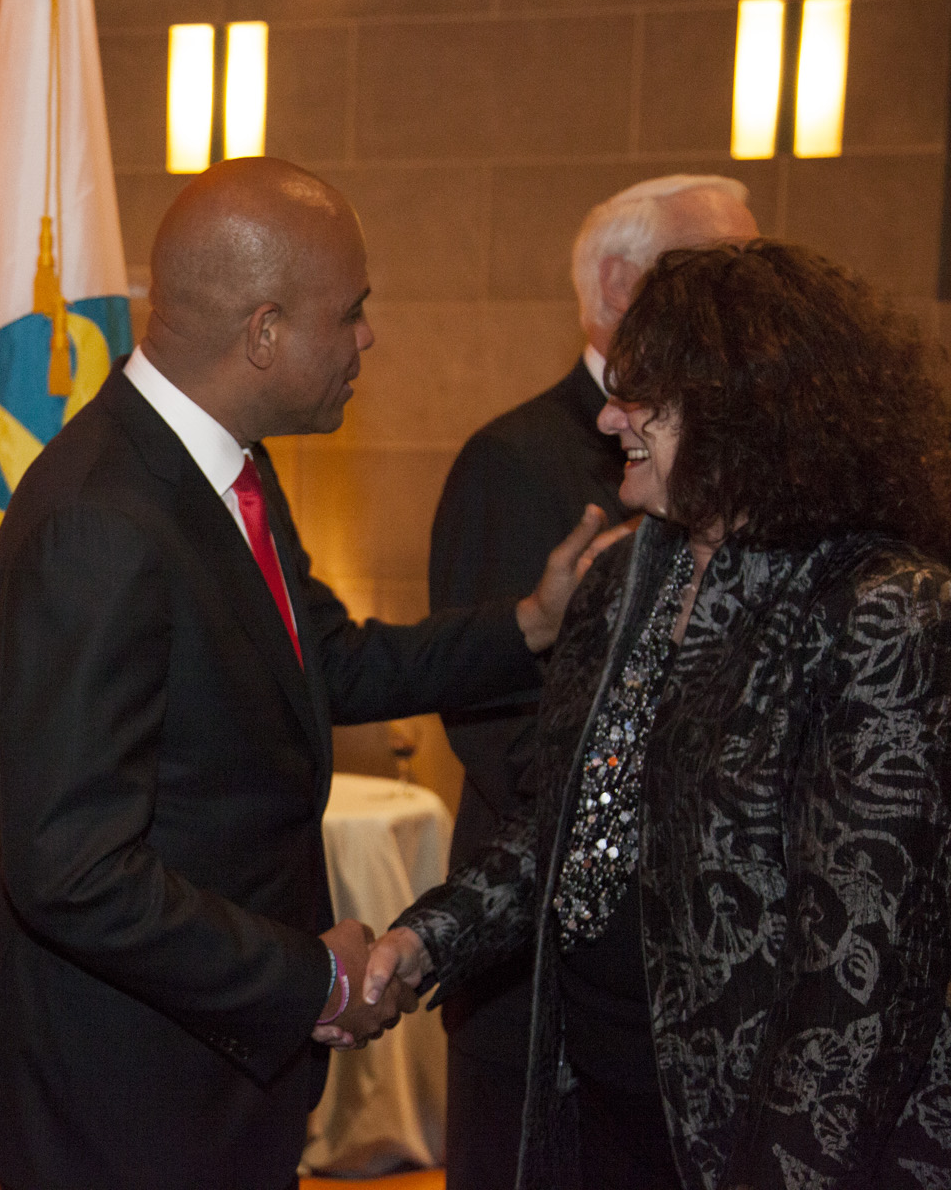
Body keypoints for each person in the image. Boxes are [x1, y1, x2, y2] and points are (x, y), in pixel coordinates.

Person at [0, 156, 623, 1190]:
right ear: (263, 332)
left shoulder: (229, 467)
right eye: (350, 313)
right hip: (120, 1104)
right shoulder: (101, 521)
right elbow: (76, 873)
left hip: (208, 1082)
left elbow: (327, 664)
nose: (368, 339)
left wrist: (529, 624)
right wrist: (313, 978)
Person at [367, 239, 951, 1188]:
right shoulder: (630, 581)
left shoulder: (880, 608)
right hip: (598, 1097)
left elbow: (863, 980)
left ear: (742, 411)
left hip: (767, 1138)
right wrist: (425, 938)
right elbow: (574, 830)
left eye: (642, 397)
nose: (608, 417)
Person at [426, 173, 756, 1190]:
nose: (742, 295)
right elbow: (502, 731)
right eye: (716, 267)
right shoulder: (515, 459)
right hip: (533, 984)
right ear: (619, 284)